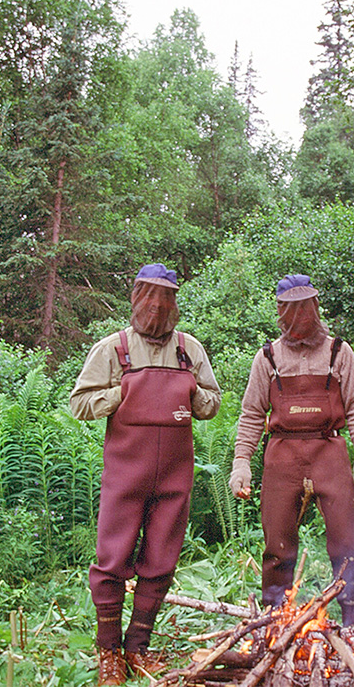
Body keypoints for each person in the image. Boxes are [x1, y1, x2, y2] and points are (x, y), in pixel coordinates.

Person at [69, 263, 221, 685]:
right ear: (136, 298)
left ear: (175, 302)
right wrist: (121, 393)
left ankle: (138, 649)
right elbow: (79, 404)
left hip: (176, 474)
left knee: (161, 560)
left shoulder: (189, 350)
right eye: (149, 295)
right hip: (125, 475)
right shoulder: (113, 349)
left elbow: (213, 403)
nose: (157, 306)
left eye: (166, 296)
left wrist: (192, 391)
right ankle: (108, 655)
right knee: (112, 560)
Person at [229, 274, 354, 624]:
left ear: (315, 307)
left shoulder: (340, 352)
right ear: (280, 312)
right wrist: (241, 462)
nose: (298, 317)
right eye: (289, 309)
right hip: (282, 456)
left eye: (304, 308)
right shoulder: (267, 357)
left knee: (348, 543)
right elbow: (251, 413)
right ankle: (275, 622)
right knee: (277, 547)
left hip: (330, 451)